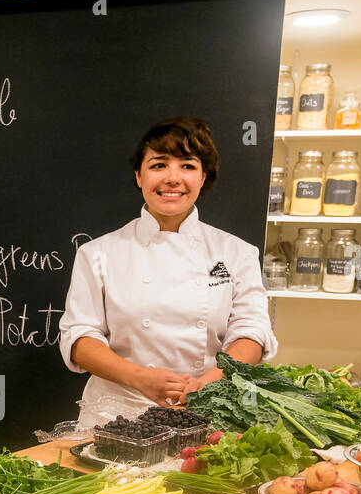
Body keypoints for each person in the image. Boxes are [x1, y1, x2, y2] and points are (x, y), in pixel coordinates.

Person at [58, 116, 276, 411]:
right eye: (158, 165)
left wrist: (209, 382)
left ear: (203, 177)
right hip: (117, 409)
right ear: (139, 176)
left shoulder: (236, 253)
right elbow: (80, 337)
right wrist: (140, 378)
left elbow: (252, 331)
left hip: (207, 408)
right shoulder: (97, 253)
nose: (172, 178)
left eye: (187, 166)